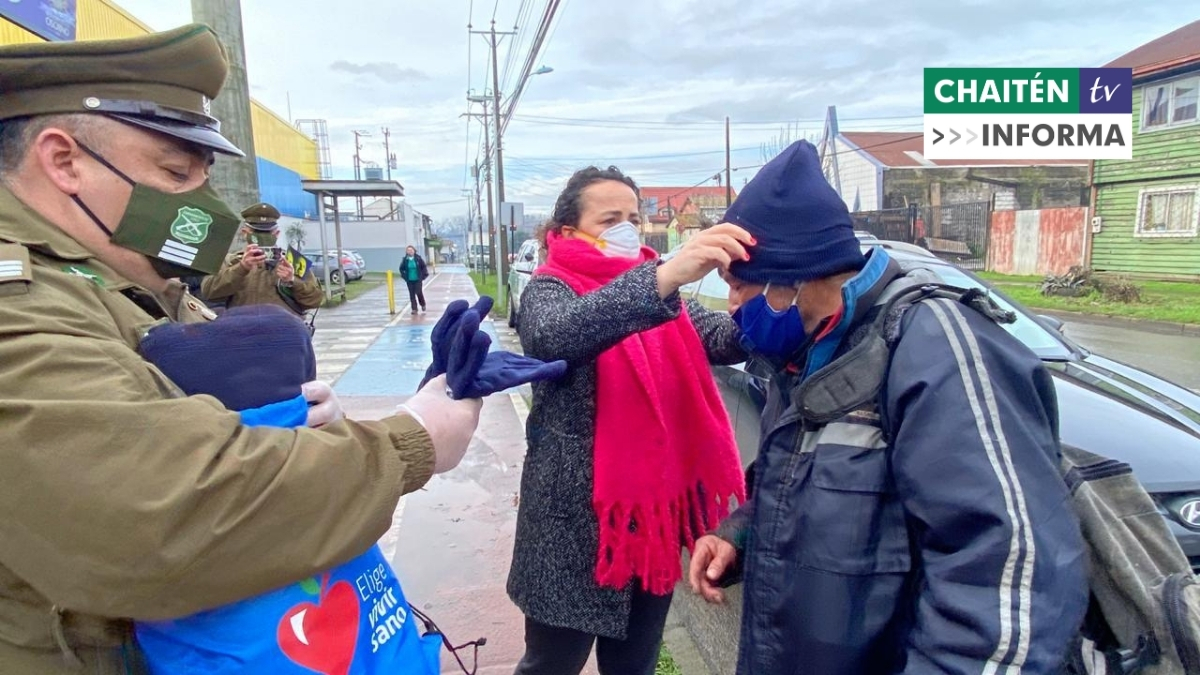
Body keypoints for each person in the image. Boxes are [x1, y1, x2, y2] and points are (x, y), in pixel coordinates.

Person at [0, 25, 482, 673]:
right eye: (174, 173)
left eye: (203, 176)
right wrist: (413, 440)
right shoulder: (23, 297)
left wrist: (300, 432)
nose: (199, 206)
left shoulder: (121, 276)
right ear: (64, 162)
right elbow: (160, 512)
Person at [686, 141, 1088, 674]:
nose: (732, 307)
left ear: (794, 276)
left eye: (739, 286)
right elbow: (800, 489)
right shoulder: (804, 354)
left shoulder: (934, 345)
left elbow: (1009, 577)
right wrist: (738, 533)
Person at [508, 165, 752, 675]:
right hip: (570, 531)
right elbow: (557, 335)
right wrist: (664, 277)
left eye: (634, 218)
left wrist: (767, 301)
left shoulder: (657, 294)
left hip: (649, 523)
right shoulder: (549, 289)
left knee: (634, 666)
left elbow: (719, 337)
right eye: (610, 218)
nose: (627, 229)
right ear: (567, 229)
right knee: (550, 665)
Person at [200, 201, 323, 315]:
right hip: (243, 331)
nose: (262, 237)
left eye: (268, 232)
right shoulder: (230, 261)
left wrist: (292, 281)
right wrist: (241, 268)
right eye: (257, 232)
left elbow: (314, 301)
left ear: (276, 234)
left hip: (282, 331)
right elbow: (209, 292)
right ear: (245, 233)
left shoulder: (293, 261)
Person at [399, 244, 429, 314]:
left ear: (414, 251)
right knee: (412, 294)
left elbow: (424, 267)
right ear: (406, 252)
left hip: (418, 279)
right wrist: (404, 276)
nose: (410, 251)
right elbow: (401, 269)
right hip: (409, 280)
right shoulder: (405, 260)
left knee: (418, 292)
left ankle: (423, 304)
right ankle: (414, 309)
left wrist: (422, 276)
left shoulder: (418, 258)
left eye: (411, 250)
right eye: (408, 250)